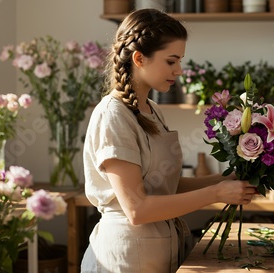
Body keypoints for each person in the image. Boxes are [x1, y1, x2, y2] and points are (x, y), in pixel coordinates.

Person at [81, 8, 257, 273]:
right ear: (139, 58)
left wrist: (226, 181)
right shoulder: (112, 115)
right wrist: (216, 194)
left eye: (180, 60)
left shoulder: (150, 110)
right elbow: (137, 209)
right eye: (171, 61)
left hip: (156, 251)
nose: (180, 70)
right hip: (125, 258)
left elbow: (163, 184)